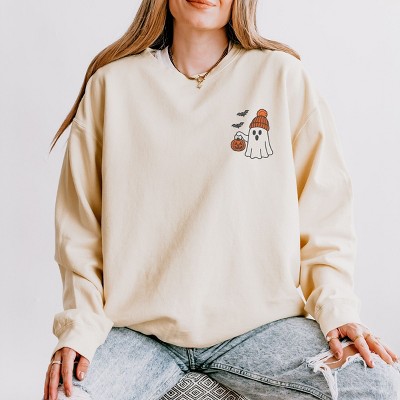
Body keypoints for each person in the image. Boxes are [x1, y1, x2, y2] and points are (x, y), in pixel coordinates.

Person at [43, 0, 400, 399]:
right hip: (138, 332)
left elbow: (324, 215)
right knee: (70, 395)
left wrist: (337, 309)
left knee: (375, 384)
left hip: (263, 328)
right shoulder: (111, 85)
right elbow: (79, 231)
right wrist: (79, 328)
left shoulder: (281, 76)